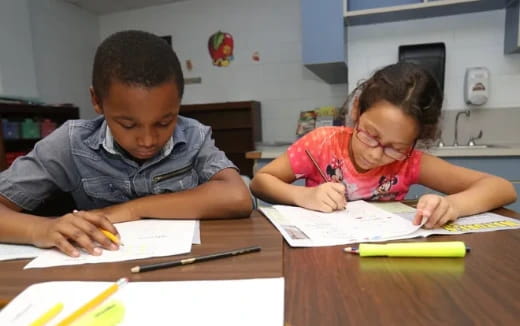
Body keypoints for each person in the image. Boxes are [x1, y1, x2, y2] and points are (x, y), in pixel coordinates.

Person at [0, 30, 252, 257]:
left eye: (164, 122)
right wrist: (41, 229)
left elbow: (237, 196)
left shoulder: (193, 135)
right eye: (128, 125)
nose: (147, 140)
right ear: (97, 101)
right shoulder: (69, 143)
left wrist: (133, 210)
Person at [251, 62, 516, 229]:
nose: (375, 153)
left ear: (414, 142)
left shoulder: (410, 161)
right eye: (370, 135)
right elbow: (261, 181)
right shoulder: (322, 143)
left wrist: (453, 206)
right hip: (324, 256)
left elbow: (501, 188)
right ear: (357, 111)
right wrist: (303, 196)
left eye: (395, 147)